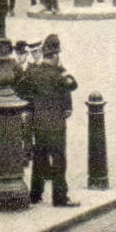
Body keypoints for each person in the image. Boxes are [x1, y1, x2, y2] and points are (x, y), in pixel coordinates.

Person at [13, 34, 78, 207]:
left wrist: (33, 104)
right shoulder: (58, 74)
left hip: (39, 122)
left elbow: (20, 90)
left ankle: (35, 195)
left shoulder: (34, 72)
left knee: (39, 158)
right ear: (55, 55)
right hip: (56, 124)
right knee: (58, 160)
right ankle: (60, 197)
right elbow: (73, 85)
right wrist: (62, 68)